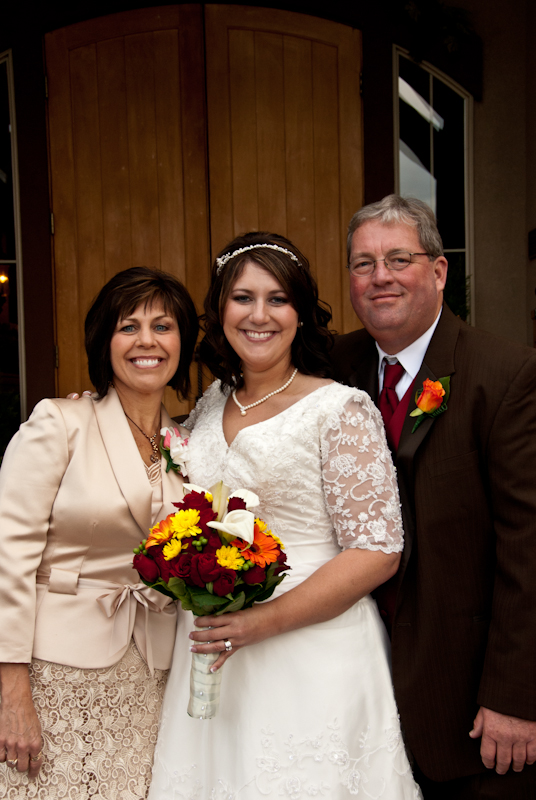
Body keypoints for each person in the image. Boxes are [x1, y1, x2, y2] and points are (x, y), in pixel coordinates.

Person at [148, 233, 422, 799]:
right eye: (242, 298)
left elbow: (377, 552)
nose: (259, 315)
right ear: (220, 309)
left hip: (314, 656)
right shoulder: (210, 404)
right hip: (214, 652)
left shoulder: (339, 408)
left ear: (300, 313)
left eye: (278, 299)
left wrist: (260, 623)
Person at [331, 195, 536, 799]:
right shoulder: (331, 366)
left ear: (439, 271)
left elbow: (528, 548)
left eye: (399, 259)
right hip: (351, 690)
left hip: (466, 705)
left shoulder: (505, 375)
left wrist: (515, 696)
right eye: (364, 264)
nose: (381, 277)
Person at [0, 267, 198, 798]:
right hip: (55, 673)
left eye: (162, 326)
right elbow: (8, 555)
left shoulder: (187, 444)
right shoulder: (60, 422)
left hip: (153, 675)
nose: (147, 341)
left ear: (182, 342)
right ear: (104, 342)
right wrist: (11, 688)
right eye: (128, 327)